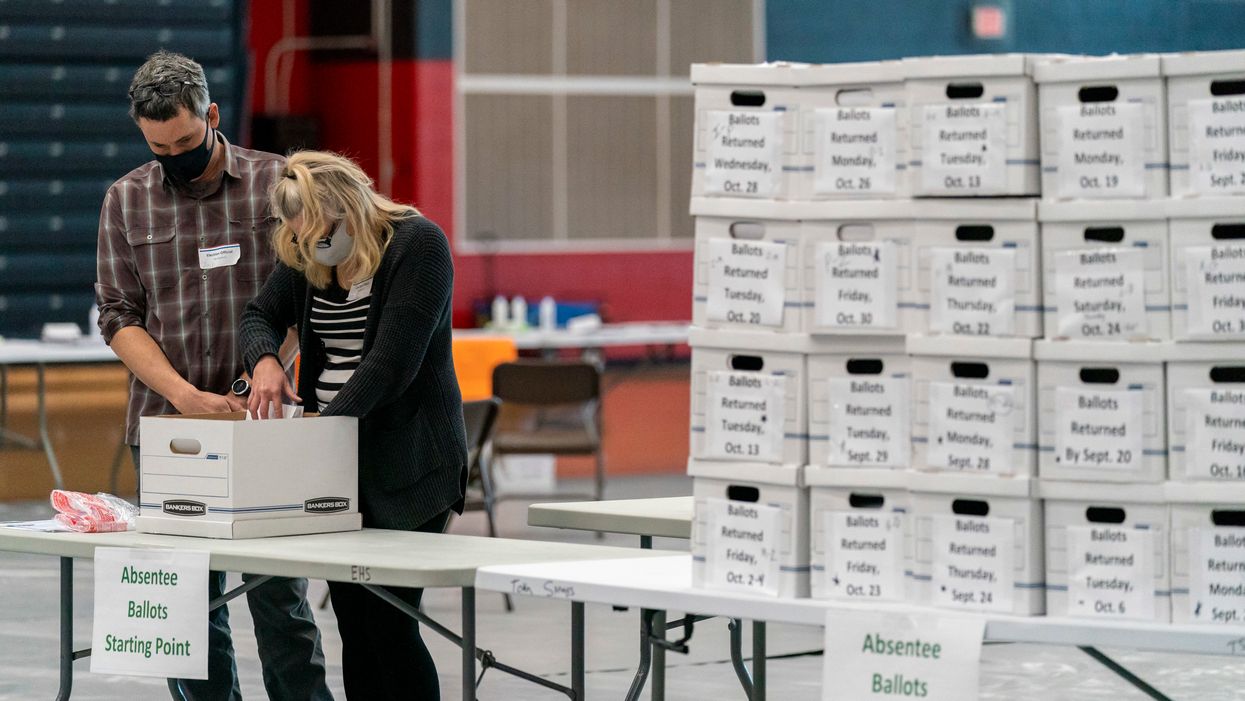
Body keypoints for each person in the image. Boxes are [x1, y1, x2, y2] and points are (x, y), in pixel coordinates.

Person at [94, 50, 332, 700]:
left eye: (186, 141)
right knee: (186, 607)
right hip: (173, 430)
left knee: (277, 600)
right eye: (159, 146)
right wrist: (186, 397)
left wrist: (268, 371)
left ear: (213, 115)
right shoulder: (127, 200)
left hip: (264, 422)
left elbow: (312, 294)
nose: (175, 157)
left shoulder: (276, 183)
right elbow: (117, 314)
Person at [239, 150, 468, 700]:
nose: (314, 245)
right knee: (354, 625)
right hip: (340, 468)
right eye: (301, 236)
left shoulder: (418, 246)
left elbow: (391, 366)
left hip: (412, 465)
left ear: (353, 206)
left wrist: (317, 432)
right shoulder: (305, 253)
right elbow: (258, 316)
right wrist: (265, 361)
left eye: (322, 231)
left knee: (389, 624)